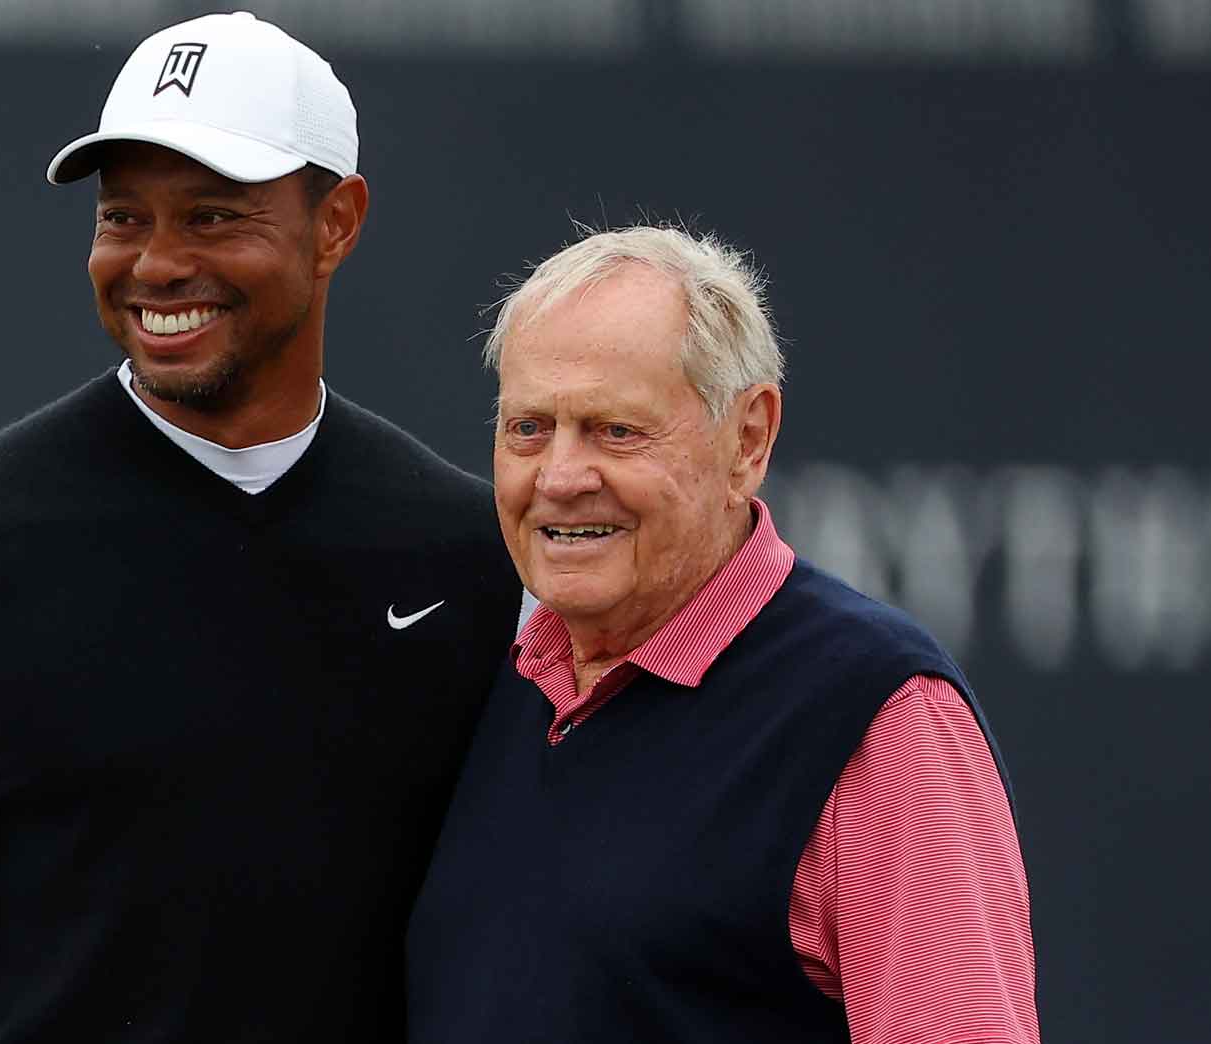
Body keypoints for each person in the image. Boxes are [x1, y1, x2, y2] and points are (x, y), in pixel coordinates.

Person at [0, 13, 521, 1043]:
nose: (156, 264)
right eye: (123, 218)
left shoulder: (480, 561)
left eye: (213, 218)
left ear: (336, 223)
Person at [407, 226, 1039, 1043]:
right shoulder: (489, 678)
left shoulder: (875, 715)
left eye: (616, 431)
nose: (559, 477)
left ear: (748, 440)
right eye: (529, 428)